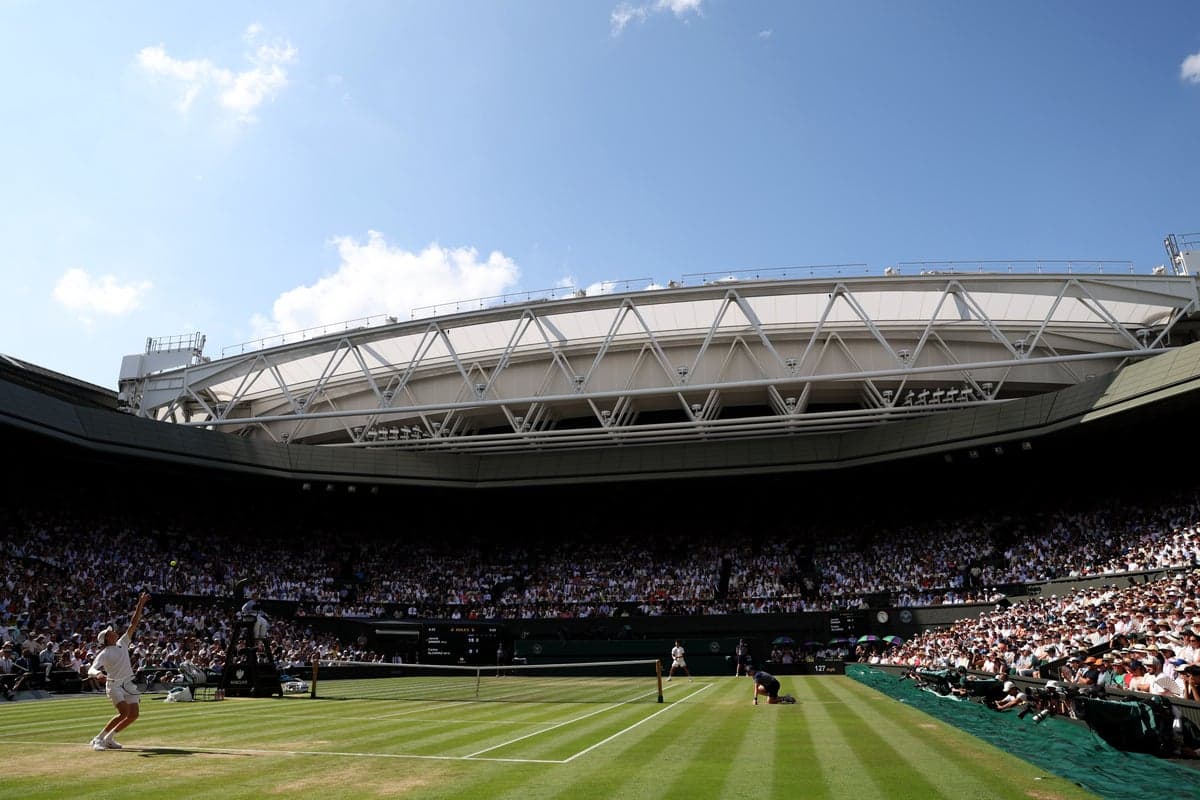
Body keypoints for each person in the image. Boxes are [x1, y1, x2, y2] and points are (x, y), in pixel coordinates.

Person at [87, 592, 151, 751]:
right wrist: (98, 674)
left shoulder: (123, 642)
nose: (114, 631)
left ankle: (109, 738)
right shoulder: (104, 653)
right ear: (107, 638)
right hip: (114, 685)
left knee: (134, 715)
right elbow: (91, 669)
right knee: (123, 713)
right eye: (110, 632)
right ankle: (98, 739)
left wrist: (140, 604)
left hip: (128, 684)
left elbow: (133, 623)